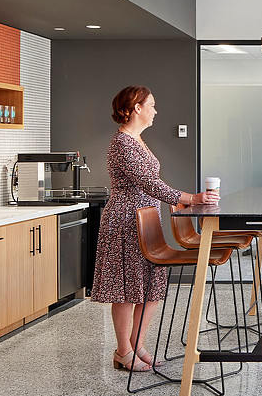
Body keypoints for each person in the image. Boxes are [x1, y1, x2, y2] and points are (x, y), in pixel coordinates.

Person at [90, 85, 219, 372]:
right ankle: (123, 351)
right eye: (152, 105)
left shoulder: (137, 140)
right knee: (126, 289)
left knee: (150, 287)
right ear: (137, 107)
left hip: (145, 220)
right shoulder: (123, 143)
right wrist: (189, 198)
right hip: (125, 221)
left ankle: (137, 343)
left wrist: (186, 200)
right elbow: (150, 183)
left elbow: (151, 183)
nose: (156, 110)